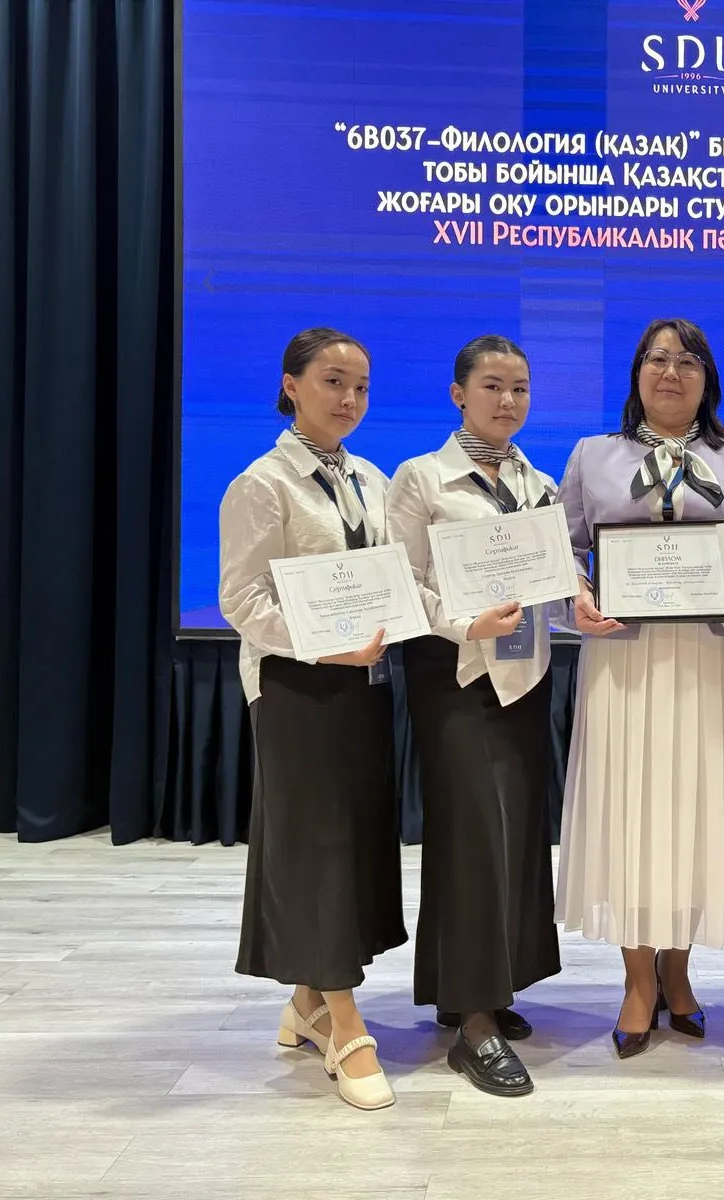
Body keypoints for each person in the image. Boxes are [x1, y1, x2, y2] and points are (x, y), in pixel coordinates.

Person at [555, 318, 724, 1058]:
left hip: (715, 662)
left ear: (707, 377)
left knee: (695, 813)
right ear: (636, 373)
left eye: (687, 361)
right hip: (624, 663)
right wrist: (575, 600)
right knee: (632, 813)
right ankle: (636, 980)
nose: (671, 372)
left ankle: (678, 970)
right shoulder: (593, 455)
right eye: (657, 358)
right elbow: (561, 551)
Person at [218, 327, 404, 1111]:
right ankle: (346, 1024)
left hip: (366, 683)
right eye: (333, 381)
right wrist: (322, 647)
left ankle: (306, 1005)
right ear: (292, 385)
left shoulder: (372, 478)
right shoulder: (262, 484)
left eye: (361, 386)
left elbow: (393, 580)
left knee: (351, 843)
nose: (349, 398)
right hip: (296, 687)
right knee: (317, 847)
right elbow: (241, 601)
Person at [386, 335, 562, 1097]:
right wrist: (466, 625)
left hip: (525, 679)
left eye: (519, 387)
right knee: (470, 838)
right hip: (454, 674)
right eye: (492, 386)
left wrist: (583, 599)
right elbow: (402, 581)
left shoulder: (537, 481)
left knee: (514, 836)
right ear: (459, 394)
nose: (507, 400)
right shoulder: (422, 478)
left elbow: (554, 580)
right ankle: (475, 1027)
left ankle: (476, 990)